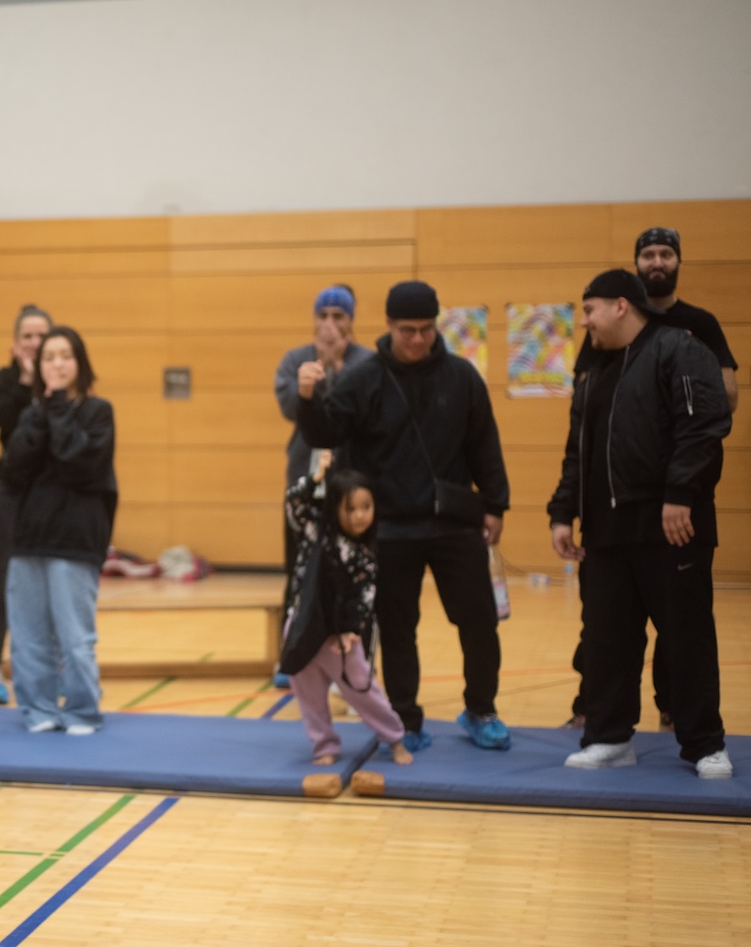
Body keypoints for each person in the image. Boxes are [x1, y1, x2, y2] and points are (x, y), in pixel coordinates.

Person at [297, 280, 511, 752]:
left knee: (479, 621)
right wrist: (308, 399)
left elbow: (485, 445)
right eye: (407, 330)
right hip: (390, 526)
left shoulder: (462, 377)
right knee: (397, 629)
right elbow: (323, 433)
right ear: (390, 326)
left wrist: (495, 504)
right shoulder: (364, 378)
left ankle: (481, 709)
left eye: (427, 330)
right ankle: (407, 720)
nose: (417, 339)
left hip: (455, 522)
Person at [546, 270, 732, 779]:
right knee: (608, 641)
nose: (584, 322)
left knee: (686, 638)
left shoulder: (679, 349)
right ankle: (609, 736)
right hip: (606, 535)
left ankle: (704, 745)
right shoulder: (595, 372)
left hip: (672, 527)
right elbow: (575, 454)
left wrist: (680, 495)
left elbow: (705, 425)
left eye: (590, 311)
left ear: (621, 305)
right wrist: (563, 513)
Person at [0, 326, 116, 736]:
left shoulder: (98, 412)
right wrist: (41, 412)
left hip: (75, 542)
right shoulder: (33, 414)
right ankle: (38, 709)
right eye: (49, 357)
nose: (58, 363)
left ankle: (83, 710)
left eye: (65, 356)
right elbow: (12, 470)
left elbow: (79, 462)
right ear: (38, 365)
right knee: (28, 637)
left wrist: (59, 407)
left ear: (79, 363)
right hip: (29, 539)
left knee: (75, 637)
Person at [281, 452, 412, 766]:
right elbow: (294, 503)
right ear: (333, 508)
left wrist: (352, 629)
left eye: (366, 507)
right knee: (309, 695)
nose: (359, 516)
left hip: (341, 637)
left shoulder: (364, 553)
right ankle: (324, 746)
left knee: (363, 690)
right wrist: (314, 479)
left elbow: (365, 597)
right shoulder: (315, 532)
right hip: (303, 627)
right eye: (350, 508)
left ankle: (393, 737)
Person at [273, 284, 373, 686]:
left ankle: (356, 661)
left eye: (339, 317)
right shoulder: (295, 359)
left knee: (353, 577)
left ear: (351, 322)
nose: (329, 325)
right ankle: (292, 656)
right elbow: (288, 408)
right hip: (306, 481)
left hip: (352, 487)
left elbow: (361, 411)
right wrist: (312, 379)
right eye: (323, 316)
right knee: (299, 571)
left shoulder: (366, 362)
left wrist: (335, 373)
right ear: (313, 319)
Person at [0, 303, 52, 705]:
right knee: (6, 578)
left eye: (42, 336)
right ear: (15, 343)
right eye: (28, 336)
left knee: (47, 581)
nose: (35, 343)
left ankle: (45, 668)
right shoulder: (6, 380)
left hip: (53, 497)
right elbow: (10, 424)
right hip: (13, 493)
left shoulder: (61, 381)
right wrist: (26, 380)